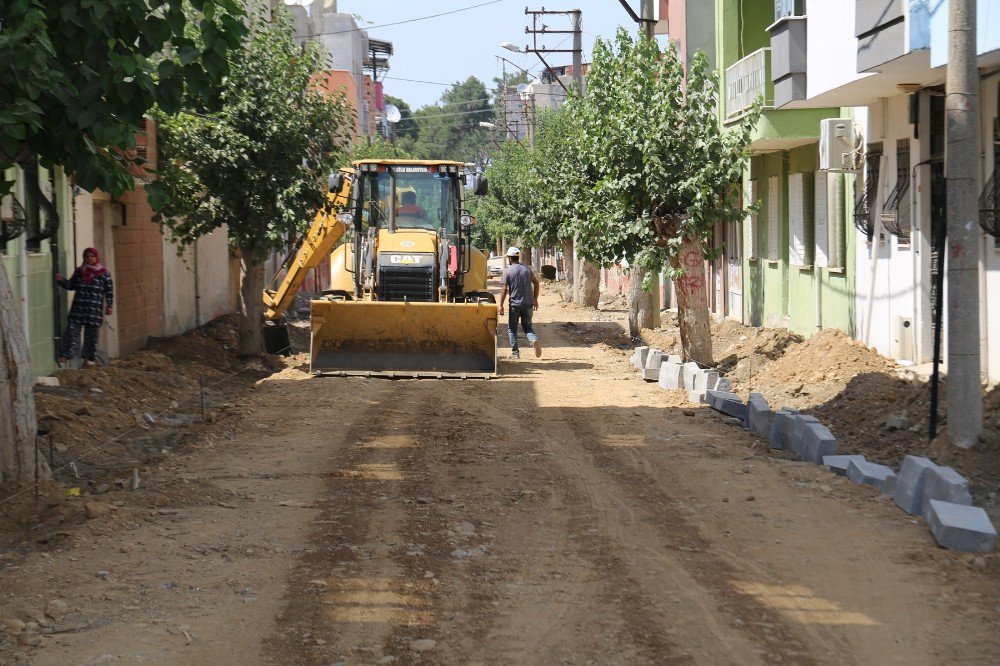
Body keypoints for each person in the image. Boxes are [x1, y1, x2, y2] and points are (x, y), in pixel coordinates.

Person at [56, 247, 114, 367]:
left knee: (91, 335)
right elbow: (71, 285)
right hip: (79, 308)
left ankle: (88, 359)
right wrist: (61, 280)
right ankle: (66, 355)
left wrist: (109, 305)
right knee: (72, 331)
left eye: (92, 256)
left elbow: (109, 291)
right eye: (87, 256)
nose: (89, 259)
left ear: (96, 258)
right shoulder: (79, 272)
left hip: (94, 309)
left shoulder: (104, 273)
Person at [497, 246, 541, 359]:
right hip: (528, 304)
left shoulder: (507, 271)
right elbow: (536, 283)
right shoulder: (527, 269)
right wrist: (535, 299)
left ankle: (515, 353)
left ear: (510, 258)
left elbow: (504, 289)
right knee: (527, 327)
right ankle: (533, 339)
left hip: (515, 305)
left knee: (512, 328)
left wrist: (501, 305)